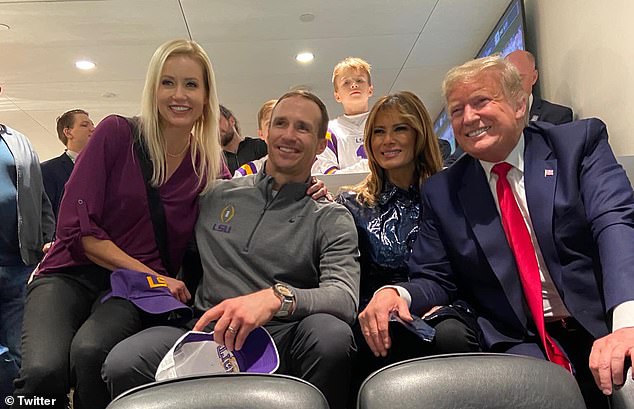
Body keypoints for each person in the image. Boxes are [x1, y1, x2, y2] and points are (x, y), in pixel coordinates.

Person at [360, 55, 634, 409]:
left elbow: (614, 224)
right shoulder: (444, 191)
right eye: (457, 110)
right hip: (521, 340)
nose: (469, 118)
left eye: (481, 102)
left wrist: (626, 322)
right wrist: (395, 293)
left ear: (520, 104)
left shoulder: (577, 145)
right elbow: (435, 277)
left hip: (605, 319)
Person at [103, 90, 360, 409]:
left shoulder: (330, 216)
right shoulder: (214, 195)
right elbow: (152, 221)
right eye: (281, 123)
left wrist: (275, 298)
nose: (289, 135)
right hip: (205, 330)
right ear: (266, 132)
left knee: (331, 335)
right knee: (123, 362)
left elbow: (344, 297)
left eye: (303, 127)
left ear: (321, 144)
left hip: (282, 335)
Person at [14, 39, 228, 409]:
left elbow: (244, 198)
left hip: (134, 287)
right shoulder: (116, 134)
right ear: (153, 88)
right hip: (72, 273)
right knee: (42, 373)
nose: (179, 94)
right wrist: (160, 278)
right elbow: (81, 235)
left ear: (207, 95)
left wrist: (305, 189)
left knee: (92, 352)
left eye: (191, 84)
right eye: (168, 82)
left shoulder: (206, 163)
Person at [337, 91, 480, 399]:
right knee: (377, 336)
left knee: (451, 336)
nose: (387, 140)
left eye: (400, 128)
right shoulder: (352, 203)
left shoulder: (451, 195)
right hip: (376, 308)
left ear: (419, 134)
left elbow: (464, 269)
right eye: (379, 131)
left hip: (446, 305)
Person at [0, 95, 54, 403]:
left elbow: (40, 198)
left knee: (25, 355)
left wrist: (49, 238)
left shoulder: (18, 142)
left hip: (21, 265)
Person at [312, 57, 373, 175]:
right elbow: (330, 174)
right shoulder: (328, 131)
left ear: (370, 90)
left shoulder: (383, 124)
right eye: (346, 82)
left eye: (359, 80)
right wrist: (365, 167)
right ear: (337, 96)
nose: (354, 85)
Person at [41, 109, 95, 220]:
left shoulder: (104, 169)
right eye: (84, 125)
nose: (93, 129)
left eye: (93, 125)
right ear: (68, 132)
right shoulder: (48, 171)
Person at [505, 50, 573, 124]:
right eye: (508, 80)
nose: (513, 85)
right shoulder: (496, 118)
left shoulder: (557, 116)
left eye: (519, 79)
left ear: (534, 77)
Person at [234, 99, 277, 177]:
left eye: (282, 123)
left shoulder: (305, 169)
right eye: (269, 124)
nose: (278, 131)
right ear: (261, 134)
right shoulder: (245, 173)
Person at [220, 104, 267, 174]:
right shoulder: (214, 163)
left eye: (216, 121)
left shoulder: (261, 146)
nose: (214, 129)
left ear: (231, 120)